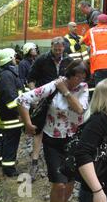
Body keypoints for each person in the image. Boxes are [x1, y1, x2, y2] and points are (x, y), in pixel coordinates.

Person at [17, 60, 89, 202]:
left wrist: (66, 92)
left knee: (70, 182)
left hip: (73, 140)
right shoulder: (54, 85)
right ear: (69, 75)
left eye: (84, 77)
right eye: (78, 77)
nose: (81, 80)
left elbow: (80, 109)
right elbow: (22, 99)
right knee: (59, 185)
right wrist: (28, 123)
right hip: (52, 141)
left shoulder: (83, 88)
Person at [26, 37, 74, 180]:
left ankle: (63, 161)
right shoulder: (42, 60)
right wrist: (35, 97)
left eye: (60, 49)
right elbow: (31, 79)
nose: (58, 52)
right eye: (55, 49)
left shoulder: (69, 60)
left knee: (65, 128)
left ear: (64, 48)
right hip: (44, 102)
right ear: (51, 47)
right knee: (38, 131)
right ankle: (34, 163)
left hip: (63, 102)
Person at [0, 48, 25, 177]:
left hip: (11, 117)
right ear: (9, 59)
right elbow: (10, 99)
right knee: (11, 142)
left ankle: (6, 162)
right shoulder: (7, 76)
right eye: (13, 57)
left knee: (9, 141)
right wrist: (19, 112)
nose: (15, 59)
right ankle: (9, 169)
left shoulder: (8, 74)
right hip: (11, 118)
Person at [81, 14, 107, 86]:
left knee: (101, 88)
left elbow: (84, 42)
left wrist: (83, 34)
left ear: (97, 22)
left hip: (99, 64)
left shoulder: (91, 31)